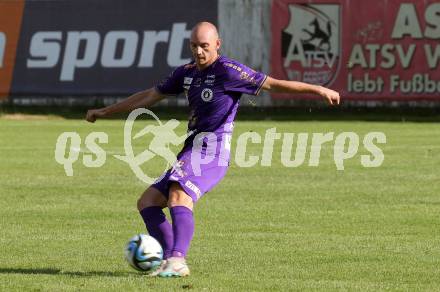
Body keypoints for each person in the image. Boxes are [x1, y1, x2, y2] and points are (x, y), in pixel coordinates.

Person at [86, 21, 340, 278]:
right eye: (194, 46)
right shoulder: (186, 73)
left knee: (178, 195)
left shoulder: (229, 71)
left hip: (212, 152)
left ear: (217, 44)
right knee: (148, 203)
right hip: (191, 150)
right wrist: (105, 112)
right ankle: (166, 259)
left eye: (204, 46)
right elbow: (148, 96)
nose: (198, 51)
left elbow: (273, 84)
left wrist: (318, 89)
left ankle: (177, 259)